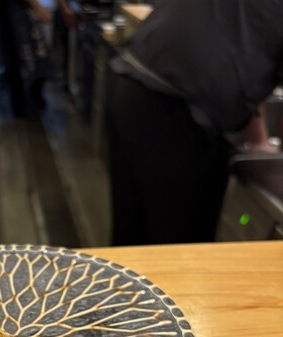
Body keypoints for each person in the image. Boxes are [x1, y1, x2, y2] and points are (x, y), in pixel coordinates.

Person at [105, 0, 283, 246]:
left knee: (131, 237)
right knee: (178, 248)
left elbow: (247, 50)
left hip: (131, 82)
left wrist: (258, 139)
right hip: (173, 114)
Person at [0, 0, 74, 118]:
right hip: (14, 10)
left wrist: (64, 8)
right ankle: (23, 107)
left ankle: (34, 101)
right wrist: (38, 8)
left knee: (37, 54)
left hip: (26, 10)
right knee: (21, 58)